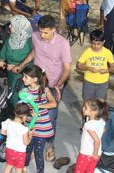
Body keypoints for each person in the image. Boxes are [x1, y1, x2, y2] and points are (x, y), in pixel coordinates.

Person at [19, 15, 71, 162]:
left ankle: (49, 145)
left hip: (53, 84)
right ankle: (33, 143)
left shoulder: (63, 43)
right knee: (31, 112)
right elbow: (35, 52)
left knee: (50, 116)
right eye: (41, 31)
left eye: (46, 32)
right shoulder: (35, 36)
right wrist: (22, 65)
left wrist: (58, 85)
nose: (42, 35)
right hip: (36, 83)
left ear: (53, 30)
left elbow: (67, 69)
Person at [21, 65, 57, 173]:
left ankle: (40, 171)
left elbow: (53, 103)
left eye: (26, 77)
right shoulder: (25, 92)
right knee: (27, 150)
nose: (23, 79)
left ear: (35, 79)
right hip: (29, 126)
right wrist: (28, 111)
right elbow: (22, 107)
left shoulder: (44, 90)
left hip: (41, 129)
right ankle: (24, 167)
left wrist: (38, 107)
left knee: (38, 153)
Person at [0, 15, 34, 105]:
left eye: (12, 25)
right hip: (11, 73)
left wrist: (17, 66)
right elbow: (4, 51)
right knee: (11, 91)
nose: (9, 26)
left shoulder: (29, 42)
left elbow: (31, 62)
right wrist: (2, 60)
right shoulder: (11, 38)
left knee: (19, 95)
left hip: (23, 75)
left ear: (19, 27)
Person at [77, 30, 114, 101]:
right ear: (90, 42)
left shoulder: (107, 52)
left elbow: (113, 67)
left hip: (103, 82)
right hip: (89, 81)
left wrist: (107, 70)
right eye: (93, 43)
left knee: (100, 102)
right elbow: (78, 65)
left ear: (103, 42)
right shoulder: (87, 52)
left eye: (98, 44)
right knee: (87, 101)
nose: (96, 46)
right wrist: (88, 68)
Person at [74, 99, 108, 173]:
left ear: (93, 112)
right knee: (89, 171)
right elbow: (104, 130)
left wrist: (94, 153)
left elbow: (97, 140)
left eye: (85, 108)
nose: (83, 108)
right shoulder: (101, 120)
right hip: (97, 153)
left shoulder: (88, 125)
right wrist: (95, 154)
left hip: (87, 153)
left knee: (79, 171)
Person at [0, 103, 34, 173]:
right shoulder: (24, 129)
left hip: (9, 149)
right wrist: (30, 135)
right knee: (18, 170)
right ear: (24, 116)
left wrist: (10, 134)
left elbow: (2, 132)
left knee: (8, 166)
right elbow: (26, 143)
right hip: (20, 153)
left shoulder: (8, 122)